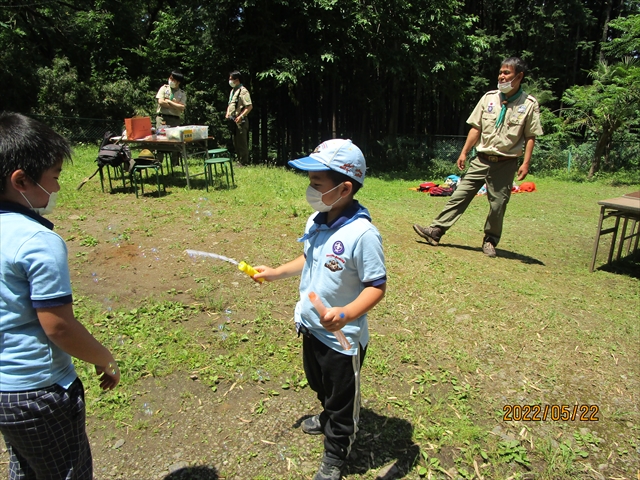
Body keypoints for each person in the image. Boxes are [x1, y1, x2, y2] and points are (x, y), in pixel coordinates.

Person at [253, 139, 387, 480]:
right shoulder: (318, 218)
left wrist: (346, 314)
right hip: (312, 327)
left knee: (343, 399)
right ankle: (327, 414)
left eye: (317, 184)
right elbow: (309, 258)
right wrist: (276, 272)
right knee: (319, 383)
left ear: (344, 188)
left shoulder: (362, 234)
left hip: (342, 339)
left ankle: (336, 451)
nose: (310, 190)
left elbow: (376, 287)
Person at [0, 112, 121, 479]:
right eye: (53, 178)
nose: (55, 189)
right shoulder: (38, 242)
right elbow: (59, 328)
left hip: (4, 393)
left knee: (25, 466)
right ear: (21, 180)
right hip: (39, 391)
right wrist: (103, 357)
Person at [413, 56, 543, 257]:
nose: (501, 76)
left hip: (506, 162)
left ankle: (490, 241)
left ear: (519, 76)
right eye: (500, 72)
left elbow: (530, 136)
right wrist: (464, 151)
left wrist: (526, 163)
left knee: (498, 204)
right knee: (460, 194)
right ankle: (436, 230)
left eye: (506, 73)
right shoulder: (489, 98)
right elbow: (476, 128)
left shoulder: (529, 104)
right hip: (481, 159)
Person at [225, 70, 253, 164]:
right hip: (233, 120)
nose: (229, 81)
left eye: (231, 79)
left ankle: (244, 162)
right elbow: (230, 104)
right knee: (235, 142)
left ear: (237, 80)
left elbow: (249, 106)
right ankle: (239, 160)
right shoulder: (233, 91)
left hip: (241, 120)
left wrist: (241, 116)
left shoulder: (243, 91)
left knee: (242, 142)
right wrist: (227, 113)